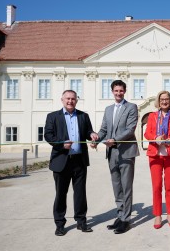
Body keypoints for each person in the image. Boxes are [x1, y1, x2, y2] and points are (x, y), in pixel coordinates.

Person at [44, 90, 98, 236]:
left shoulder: (83, 116)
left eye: (73, 99)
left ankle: (81, 222)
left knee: (80, 194)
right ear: (62, 99)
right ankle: (60, 224)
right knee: (61, 194)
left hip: (79, 160)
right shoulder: (53, 116)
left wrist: (92, 134)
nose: (70, 101)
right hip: (61, 161)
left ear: (76, 100)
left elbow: (88, 132)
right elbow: (48, 135)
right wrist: (62, 145)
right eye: (67, 98)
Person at [91, 79, 139, 234]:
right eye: (116, 90)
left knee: (126, 186)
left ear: (124, 91)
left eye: (121, 90)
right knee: (116, 186)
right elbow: (104, 129)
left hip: (126, 152)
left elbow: (130, 129)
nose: (118, 93)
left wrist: (115, 140)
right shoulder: (108, 109)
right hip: (111, 152)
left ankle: (126, 220)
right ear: (112, 91)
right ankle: (120, 214)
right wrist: (96, 140)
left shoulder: (131, 107)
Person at [144, 91, 170, 229]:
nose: (164, 101)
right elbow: (147, 133)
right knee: (156, 186)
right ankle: (158, 215)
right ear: (158, 101)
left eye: (167, 99)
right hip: (155, 154)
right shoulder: (152, 116)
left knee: (169, 186)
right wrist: (155, 137)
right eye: (162, 99)